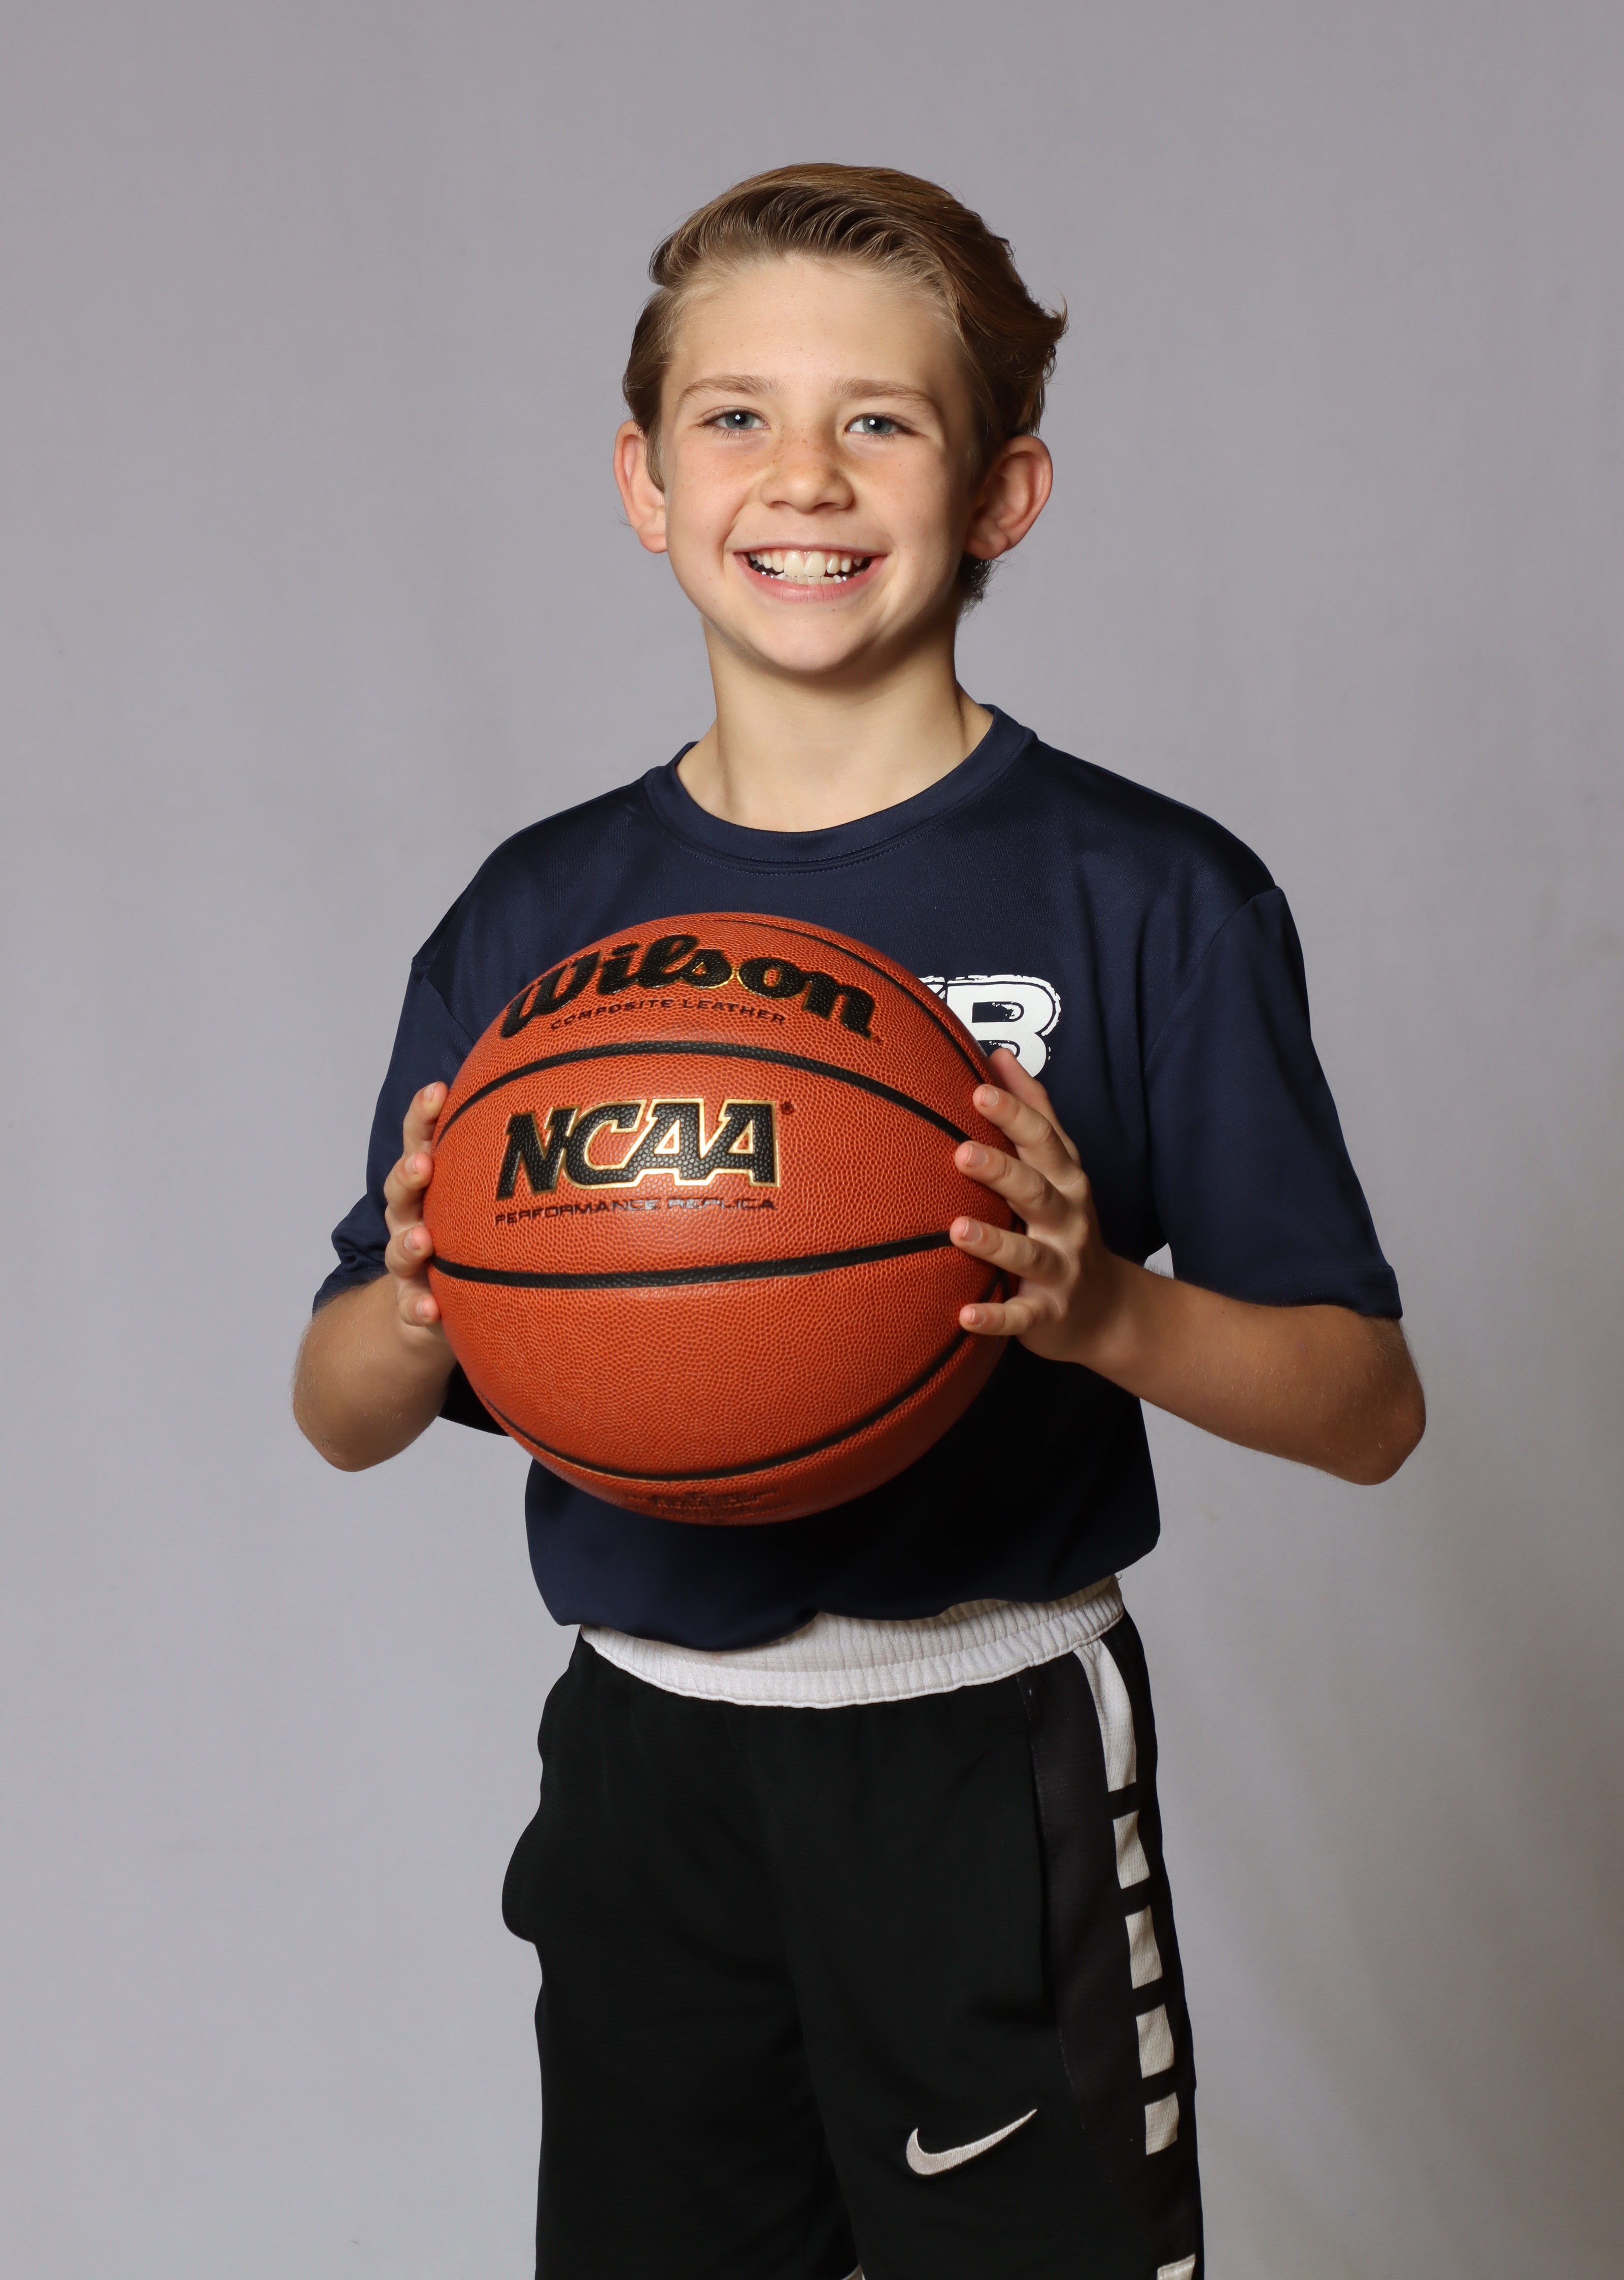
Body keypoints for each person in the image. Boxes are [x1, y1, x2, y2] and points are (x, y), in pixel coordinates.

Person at [294, 165, 1424, 2280]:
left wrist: (1100, 1309)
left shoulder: (1149, 895)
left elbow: (1366, 1408)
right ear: (642, 482)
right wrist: (427, 1292)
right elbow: (339, 1403)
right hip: (642, 1757)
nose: (801, 475)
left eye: (878, 421)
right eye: (734, 416)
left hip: (980, 1745)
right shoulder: (540, 923)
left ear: (1003, 495)